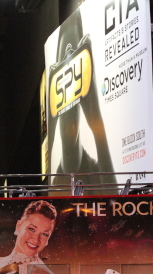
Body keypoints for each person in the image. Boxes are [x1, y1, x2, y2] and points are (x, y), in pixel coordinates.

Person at [47, 8, 117, 189]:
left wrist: (95, 116)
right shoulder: (57, 182)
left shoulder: (93, 173)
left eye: (75, 54)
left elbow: (117, 202)